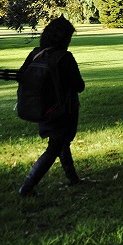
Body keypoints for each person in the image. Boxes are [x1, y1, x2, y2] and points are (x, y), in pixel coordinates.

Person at [18, 16, 85, 196]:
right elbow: (79, 86)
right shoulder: (65, 58)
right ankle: (27, 187)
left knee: (61, 142)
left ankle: (73, 179)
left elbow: (23, 76)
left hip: (42, 108)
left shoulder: (35, 53)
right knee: (55, 147)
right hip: (63, 110)